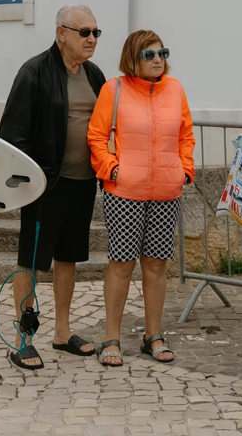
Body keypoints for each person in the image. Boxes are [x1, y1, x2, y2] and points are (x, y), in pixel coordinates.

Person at [0, 4, 107, 370]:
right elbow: (12, 134)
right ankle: (23, 339)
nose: (92, 39)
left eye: (96, 32)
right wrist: (28, 180)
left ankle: (62, 333)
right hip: (45, 185)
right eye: (85, 32)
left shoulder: (94, 75)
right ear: (62, 33)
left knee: (68, 258)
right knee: (31, 262)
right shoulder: (34, 73)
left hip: (82, 183)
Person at [88, 30, 195, 367]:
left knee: (157, 264)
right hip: (124, 194)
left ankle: (153, 335)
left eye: (161, 52)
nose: (158, 59)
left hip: (166, 192)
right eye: (149, 55)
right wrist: (112, 170)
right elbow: (96, 135)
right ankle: (111, 337)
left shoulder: (175, 90)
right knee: (121, 264)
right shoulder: (114, 89)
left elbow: (185, 135)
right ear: (133, 58)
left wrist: (185, 171)